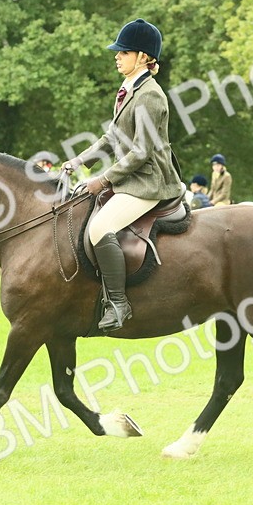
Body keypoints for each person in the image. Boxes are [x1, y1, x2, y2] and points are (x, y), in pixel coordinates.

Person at [63, 19, 184, 332]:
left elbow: (140, 152)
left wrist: (102, 180)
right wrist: (76, 161)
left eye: (123, 51)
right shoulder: (129, 90)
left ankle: (118, 303)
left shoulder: (150, 96)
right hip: (132, 179)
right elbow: (110, 139)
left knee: (100, 228)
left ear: (143, 57)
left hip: (149, 182)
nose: (116, 56)